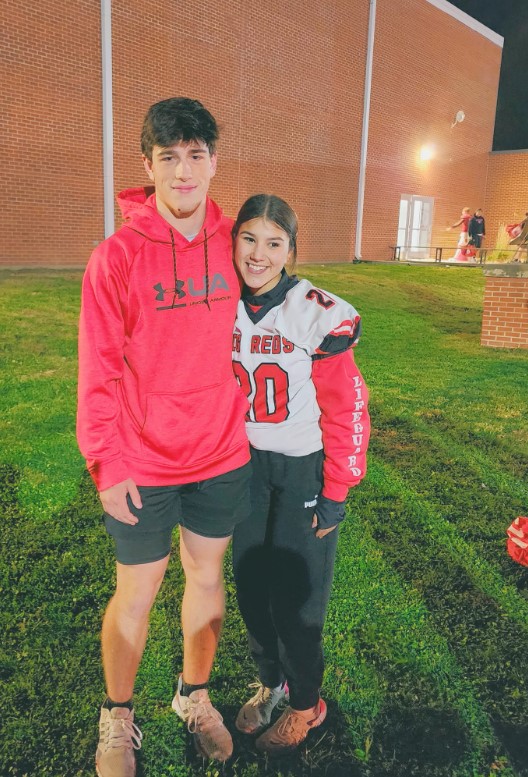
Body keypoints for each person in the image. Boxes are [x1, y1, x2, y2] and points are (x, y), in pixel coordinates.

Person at [77, 97, 252, 776]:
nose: (184, 171)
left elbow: (276, 318)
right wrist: (106, 459)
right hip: (142, 458)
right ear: (147, 165)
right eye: (169, 157)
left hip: (220, 452)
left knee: (207, 579)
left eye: (196, 154)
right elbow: (97, 367)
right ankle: (117, 714)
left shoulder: (238, 239)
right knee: (138, 589)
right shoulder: (116, 256)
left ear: (214, 160)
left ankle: (192, 695)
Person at [230, 194, 371, 754]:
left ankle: (308, 704)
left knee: (296, 599)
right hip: (241, 469)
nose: (258, 254)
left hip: (300, 470)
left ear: (291, 249)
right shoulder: (220, 301)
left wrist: (336, 489)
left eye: (273, 242)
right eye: (248, 239)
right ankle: (271, 682)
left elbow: (348, 406)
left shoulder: (316, 312)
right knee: (249, 589)